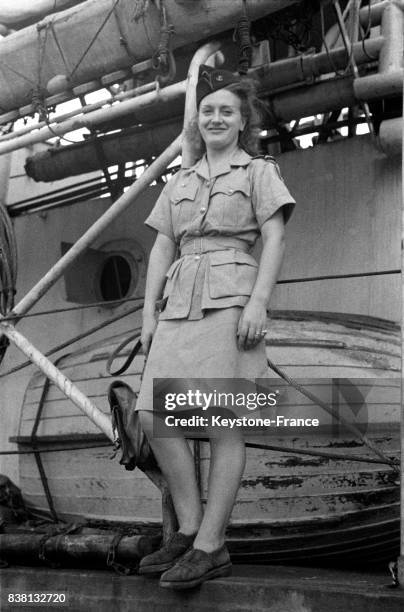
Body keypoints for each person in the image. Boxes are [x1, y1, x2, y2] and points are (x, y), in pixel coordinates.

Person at [135, 64, 296, 589]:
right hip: (178, 301)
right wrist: (147, 311)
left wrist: (259, 304)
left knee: (227, 422)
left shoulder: (258, 171)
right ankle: (188, 528)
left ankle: (211, 544)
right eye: (207, 110)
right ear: (197, 120)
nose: (216, 117)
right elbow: (162, 245)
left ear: (243, 119)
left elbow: (273, 239)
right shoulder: (180, 180)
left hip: (231, 300)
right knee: (155, 413)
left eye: (227, 110)